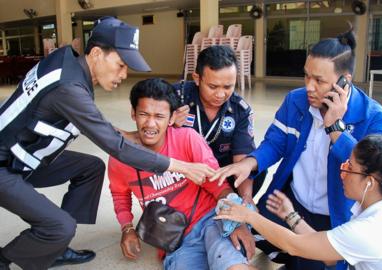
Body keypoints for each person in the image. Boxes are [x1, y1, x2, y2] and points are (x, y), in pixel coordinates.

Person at [0, 17, 213, 270]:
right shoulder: (69, 88)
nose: (124, 74)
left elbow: (98, 125)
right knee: (60, 227)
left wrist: (148, 129)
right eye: (121, 65)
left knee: (90, 168)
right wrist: (183, 167)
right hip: (6, 165)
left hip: (25, 153)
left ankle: (54, 246)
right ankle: (8, 257)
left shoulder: (68, 63)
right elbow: (116, 146)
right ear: (97, 53)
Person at [212, 27, 382, 270]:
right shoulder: (296, 100)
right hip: (288, 204)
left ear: (344, 81)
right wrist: (249, 163)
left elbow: (372, 171)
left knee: (311, 260)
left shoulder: (374, 118)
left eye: (319, 80)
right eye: (306, 76)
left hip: (334, 219)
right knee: (236, 239)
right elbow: (275, 142)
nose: (309, 86)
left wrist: (336, 130)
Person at [216, 135, 382, 270]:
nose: (342, 173)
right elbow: (328, 254)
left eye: (348, 168)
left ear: (369, 182)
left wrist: (248, 215)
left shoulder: (371, 229)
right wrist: (291, 216)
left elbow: (294, 245)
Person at [108, 78, 255, 269]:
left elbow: (218, 185)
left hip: (212, 219)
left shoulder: (187, 138)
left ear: (171, 119)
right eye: (144, 114)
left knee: (233, 267)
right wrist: (127, 228)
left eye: (159, 116)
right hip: (174, 237)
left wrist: (237, 222)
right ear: (133, 114)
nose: (150, 124)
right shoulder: (120, 157)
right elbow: (120, 195)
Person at [173, 45, 266, 209]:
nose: (221, 94)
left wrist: (246, 199)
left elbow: (241, 161)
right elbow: (150, 135)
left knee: (255, 167)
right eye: (213, 86)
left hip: (221, 173)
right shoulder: (175, 97)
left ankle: (230, 203)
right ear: (197, 78)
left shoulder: (240, 110)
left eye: (228, 87)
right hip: (184, 171)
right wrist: (169, 124)